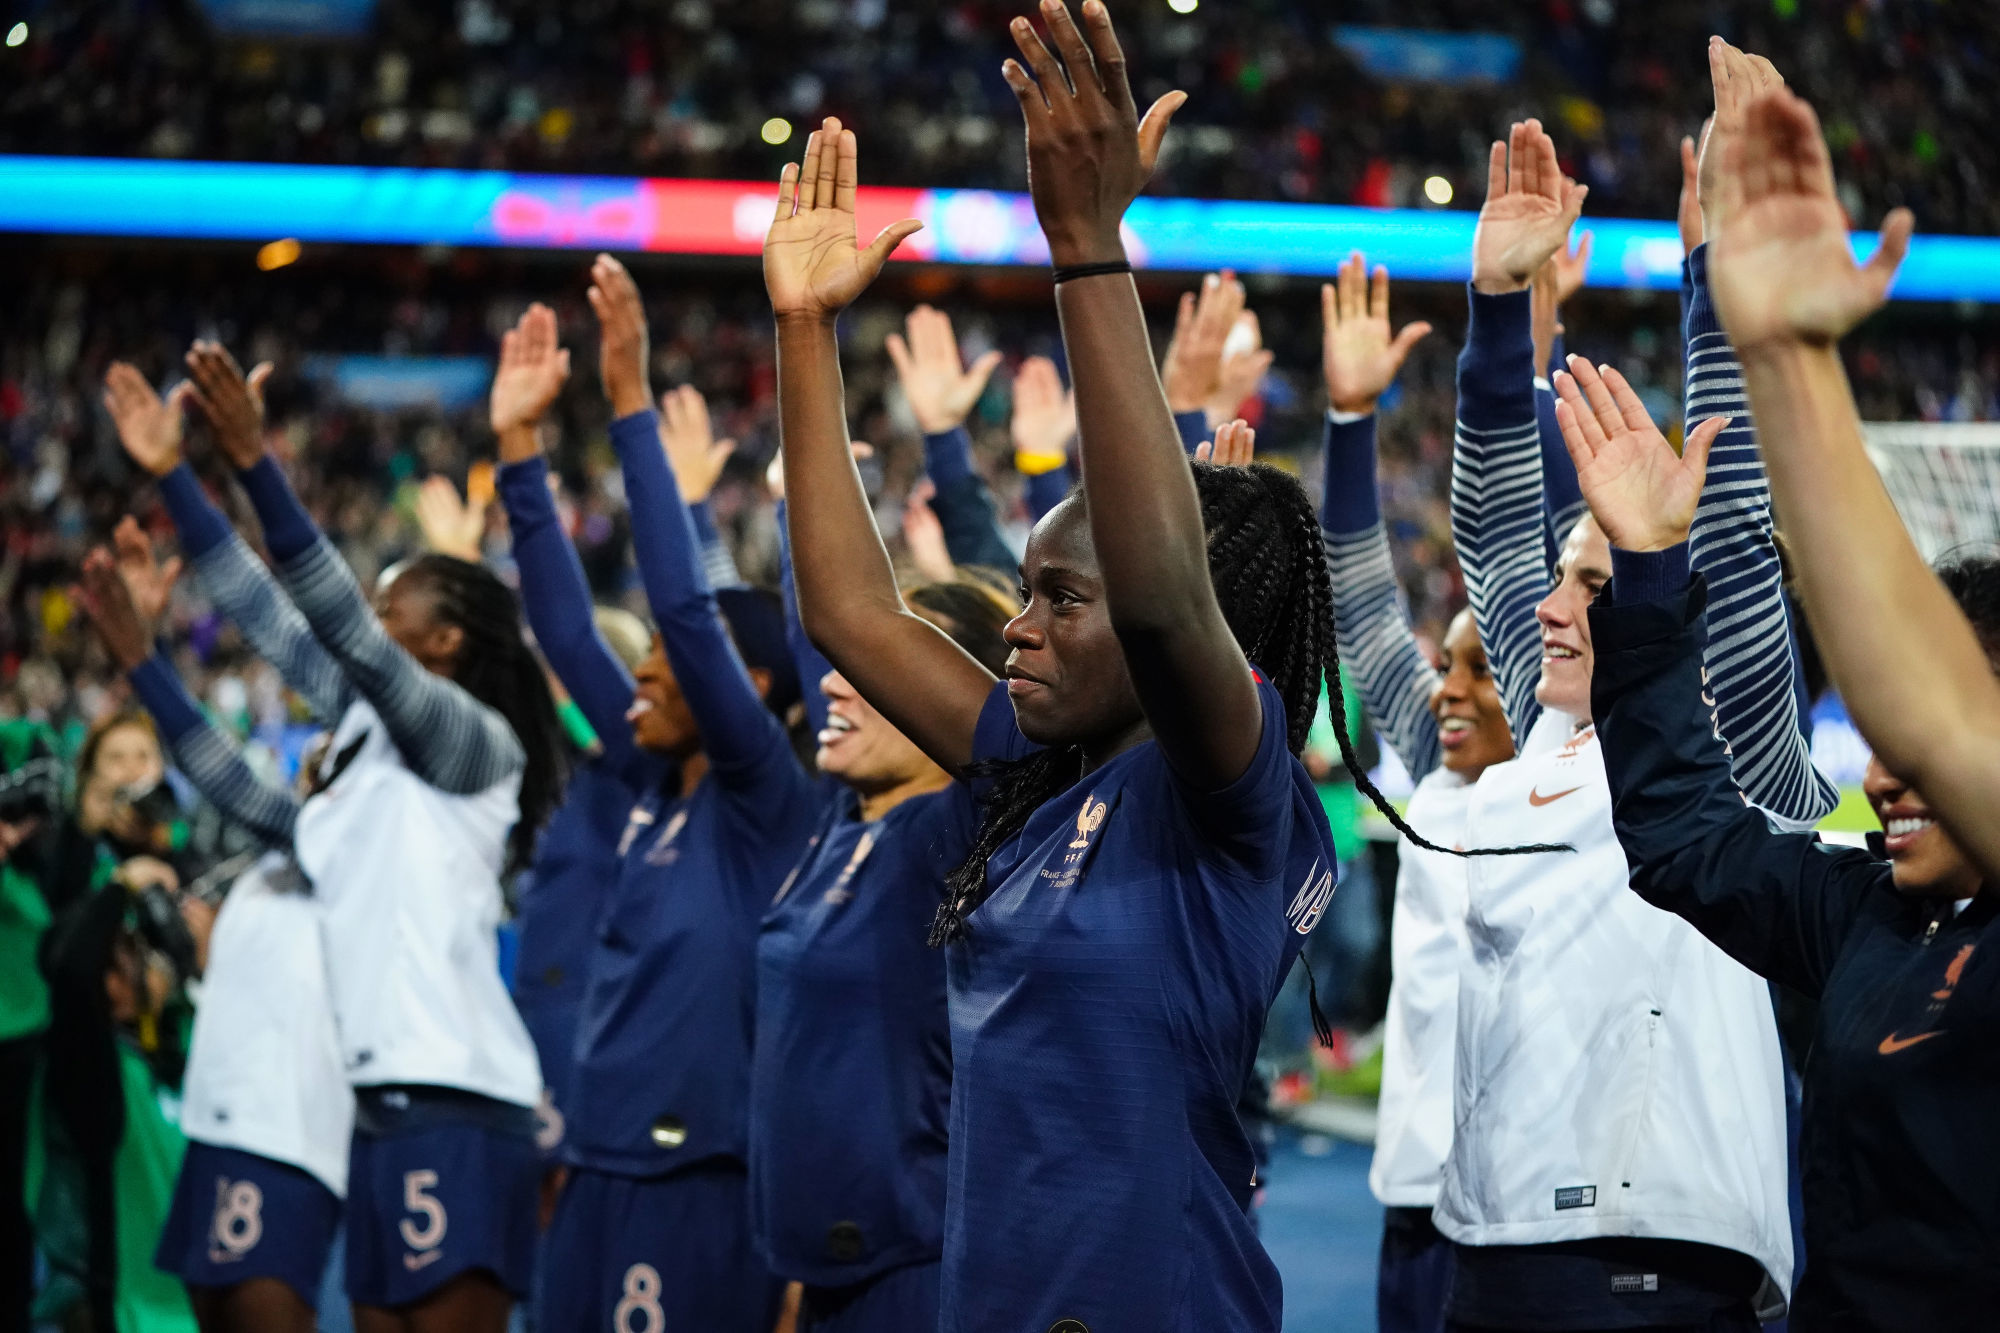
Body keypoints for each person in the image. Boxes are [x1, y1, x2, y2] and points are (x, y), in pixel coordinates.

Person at [764, 2, 1436, 1316]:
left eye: (1061, 598)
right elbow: (853, 613)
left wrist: (1085, 252)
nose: (1018, 624)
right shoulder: (1044, 771)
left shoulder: (1232, 794)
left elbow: (1165, 602)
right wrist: (803, 331)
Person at [1432, 74, 1836, 1328]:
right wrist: (1498, 312)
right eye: (1566, 584)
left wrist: (1714, 291)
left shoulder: (1728, 737)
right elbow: (1497, 532)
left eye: (1598, 586)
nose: (1558, 607)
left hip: (1664, 1255)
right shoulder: (1545, 709)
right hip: (1482, 1244)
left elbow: (1713, 519)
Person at [1559, 304, 1999, 1329]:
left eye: (1923, 735)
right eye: (1878, 732)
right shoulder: (1874, 916)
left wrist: (1784, 359)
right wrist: (1650, 569)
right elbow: (1684, 834)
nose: (1883, 777)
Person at [117, 340, 562, 1333]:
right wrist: (171, 483)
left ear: (443, 642)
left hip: (458, 1093)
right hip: (376, 1104)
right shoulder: (361, 752)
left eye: (390, 599)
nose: (368, 613)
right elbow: (269, 635)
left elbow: (336, 632)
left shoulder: (469, 744)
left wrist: (254, 467)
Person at [488, 284, 817, 1333]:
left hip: (699, 1181)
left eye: (670, 666)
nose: (638, 676)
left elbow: (680, 605)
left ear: (747, 689)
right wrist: (517, 450)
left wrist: (629, 398)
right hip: (594, 1162)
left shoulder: (767, 800)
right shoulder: (644, 780)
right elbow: (571, 633)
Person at [1313, 249, 1526, 1333]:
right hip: (1411, 1198)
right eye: (1443, 665)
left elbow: (1534, 555)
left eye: (1478, 670)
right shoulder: (1433, 785)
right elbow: (1354, 588)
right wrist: (1349, 421)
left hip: (1529, 1214)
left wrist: (1532, 342)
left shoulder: (1562, 776)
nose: (1446, 691)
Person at [70, 532, 348, 1333]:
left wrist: (143, 659)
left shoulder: (350, 852)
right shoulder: (255, 863)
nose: (314, 763)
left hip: (283, 1136)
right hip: (215, 1128)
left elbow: (218, 767)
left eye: (334, 756)